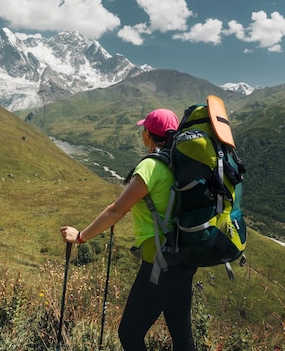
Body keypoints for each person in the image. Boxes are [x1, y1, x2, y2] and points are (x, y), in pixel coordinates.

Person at [60, 108, 197, 351]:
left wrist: (80, 236)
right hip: (185, 256)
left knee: (129, 334)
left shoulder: (151, 167)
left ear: (148, 134)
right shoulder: (182, 163)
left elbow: (116, 211)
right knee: (181, 334)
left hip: (161, 261)